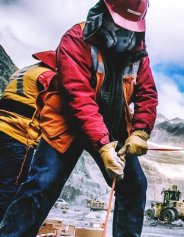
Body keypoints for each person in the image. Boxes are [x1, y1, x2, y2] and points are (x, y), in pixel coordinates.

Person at [0, 0, 158, 236]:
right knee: (42, 184)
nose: (124, 34)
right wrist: (103, 146)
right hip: (68, 123)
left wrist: (140, 131)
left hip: (113, 126)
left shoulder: (138, 52)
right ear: (104, 13)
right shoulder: (76, 39)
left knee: (134, 186)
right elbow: (79, 98)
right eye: (119, 25)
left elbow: (147, 93)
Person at [0, 50, 56, 220]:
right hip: (18, 136)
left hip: (2, 127)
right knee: (9, 189)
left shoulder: (24, 71)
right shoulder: (48, 76)